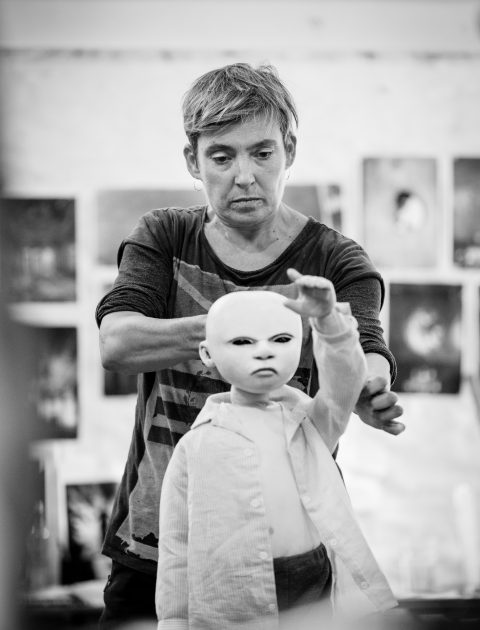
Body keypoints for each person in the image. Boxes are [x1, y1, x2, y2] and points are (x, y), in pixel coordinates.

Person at [96, 62, 404, 627]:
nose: (244, 176)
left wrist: (368, 384)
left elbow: (367, 346)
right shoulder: (165, 235)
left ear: (289, 151)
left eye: (263, 153)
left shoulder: (334, 259)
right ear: (193, 161)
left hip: (290, 555)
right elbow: (117, 343)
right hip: (156, 544)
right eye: (222, 156)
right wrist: (237, 326)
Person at [156, 273, 397, 630]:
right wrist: (174, 622)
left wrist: (329, 322)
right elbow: (176, 547)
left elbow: (344, 381)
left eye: (281, 339)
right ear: (207, 353)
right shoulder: (196, 445)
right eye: (242, 341)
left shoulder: (311, 425)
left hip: (315, 585)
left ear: (300, 344)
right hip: (232, 595)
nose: (264, 351)